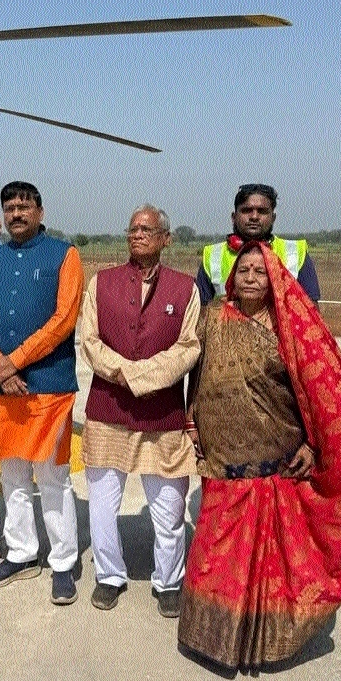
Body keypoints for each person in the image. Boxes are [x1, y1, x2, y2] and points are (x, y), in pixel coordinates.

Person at [178, 242, 341, 670]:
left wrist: (312, 443)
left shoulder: (293, 325)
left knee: (273, 556)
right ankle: (215, 638)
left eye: (259, 271)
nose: (249, 277)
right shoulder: (213, 316)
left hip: (276, 452)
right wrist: (191, 420)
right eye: (243, 270)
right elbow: (195, 371)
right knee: (218, 549)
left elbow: (316, 387)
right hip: (223, 453)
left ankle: (269, 642)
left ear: (275, 279)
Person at [0, 181, 84, 605]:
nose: (16, 214)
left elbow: (64, 319)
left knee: (53, 477)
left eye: (24, 207)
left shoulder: (64, 255)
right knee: (11, 474)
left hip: (48, 387)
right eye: (9, 207)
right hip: (1, 387)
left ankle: (63, 562)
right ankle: (22, 553)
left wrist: (16, 360)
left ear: (40, 212)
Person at [79, 205, 199, 617]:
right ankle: (109, 576)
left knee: (169, 509)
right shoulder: (101, 283)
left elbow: (189, 347)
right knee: (102, 505)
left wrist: (144, 377)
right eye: (133, 228)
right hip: (108, 412)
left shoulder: (185, 288)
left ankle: (169, 581)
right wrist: (124, 373)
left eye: (147, 229)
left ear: (166, 238)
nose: (138, 234)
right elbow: (90, 341)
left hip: (161, 417)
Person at [196, 183, 320, 304]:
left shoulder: (296, 253)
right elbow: (202, 311)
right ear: (234, 217)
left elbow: (312, 311)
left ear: (273, 218)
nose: (254, 217)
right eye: (246, 210)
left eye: (262, 211)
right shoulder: (213, 256)